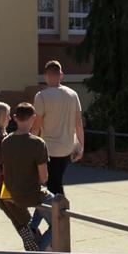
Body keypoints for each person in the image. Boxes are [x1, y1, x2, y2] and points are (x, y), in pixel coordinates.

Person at [0, 103, 54, 254]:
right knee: (59, 224)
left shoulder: (5, 142)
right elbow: (44, 177)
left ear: (15, 118)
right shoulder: (38, 143)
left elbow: (6, 171)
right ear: (33, 119)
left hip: (12, 194)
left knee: (47, 201)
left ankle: (32, 228)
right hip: (32, 194)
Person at [32, 60, 85, 195]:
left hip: (49, 149)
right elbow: (78, 124)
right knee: (55, 183)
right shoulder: (73, 94)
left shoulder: (41, 96)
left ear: (45, 76)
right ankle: (49, 214)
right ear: (61, 75)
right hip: (67, 148)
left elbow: (36, 126)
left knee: (53, 187)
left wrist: (30, 146)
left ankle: (60, 213)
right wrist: (81, 147)